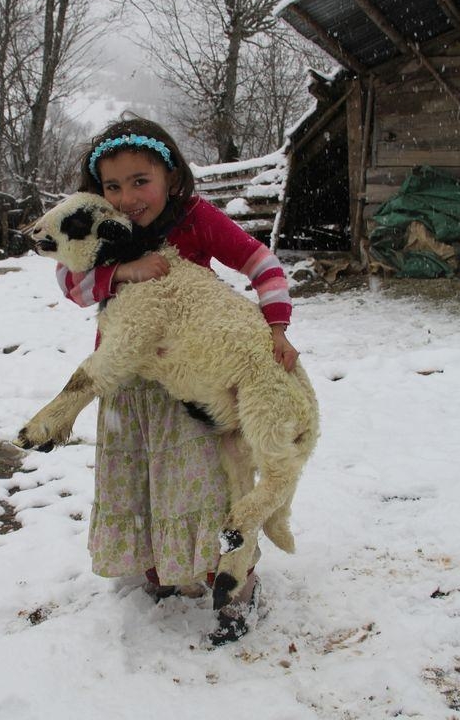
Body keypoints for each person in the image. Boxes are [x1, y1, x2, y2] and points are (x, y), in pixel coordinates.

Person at [56, 116, 298, 644]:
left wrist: (276, 326)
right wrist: (122, 272)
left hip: (191, 385)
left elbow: (262, 263)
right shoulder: (97, 223)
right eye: (112, 185)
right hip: (126, 382)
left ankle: (235, 583)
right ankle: (162, 570)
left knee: (206, 484)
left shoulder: (195, 219)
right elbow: (70, 283)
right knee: (139, 480)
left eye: (140, 181)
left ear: (170, 176)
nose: (126, 198)